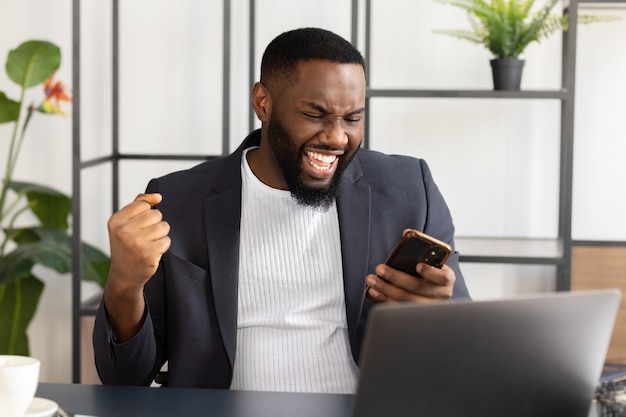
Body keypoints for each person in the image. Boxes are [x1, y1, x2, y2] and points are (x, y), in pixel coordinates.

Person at [93, 27, 470, 393]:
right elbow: (125, 377)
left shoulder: (409, 187)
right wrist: (125, 283)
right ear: (263, 102)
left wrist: (438, 315)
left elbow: (464, 352)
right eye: (315, 114)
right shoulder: (177, 199)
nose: (337, 137)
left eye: (352, 118)